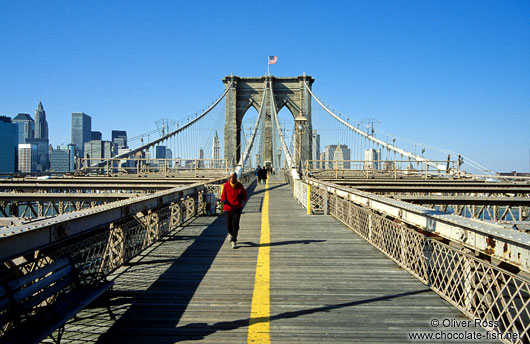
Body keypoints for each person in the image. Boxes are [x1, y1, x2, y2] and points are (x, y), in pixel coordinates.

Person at [220, 172, 247, 249]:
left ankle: (234, 241)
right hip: (228, 208)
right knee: (228, 225)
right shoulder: (226, 185)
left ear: (236, 177)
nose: (232, 178)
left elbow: (245, 197)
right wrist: (224, 200)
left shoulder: (240, 186)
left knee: (235, 224)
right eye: (231, 177)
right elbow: (222, 196)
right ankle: (230, 233)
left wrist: (241, 196)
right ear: (229, 178)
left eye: (234, 177)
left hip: (237, 208)